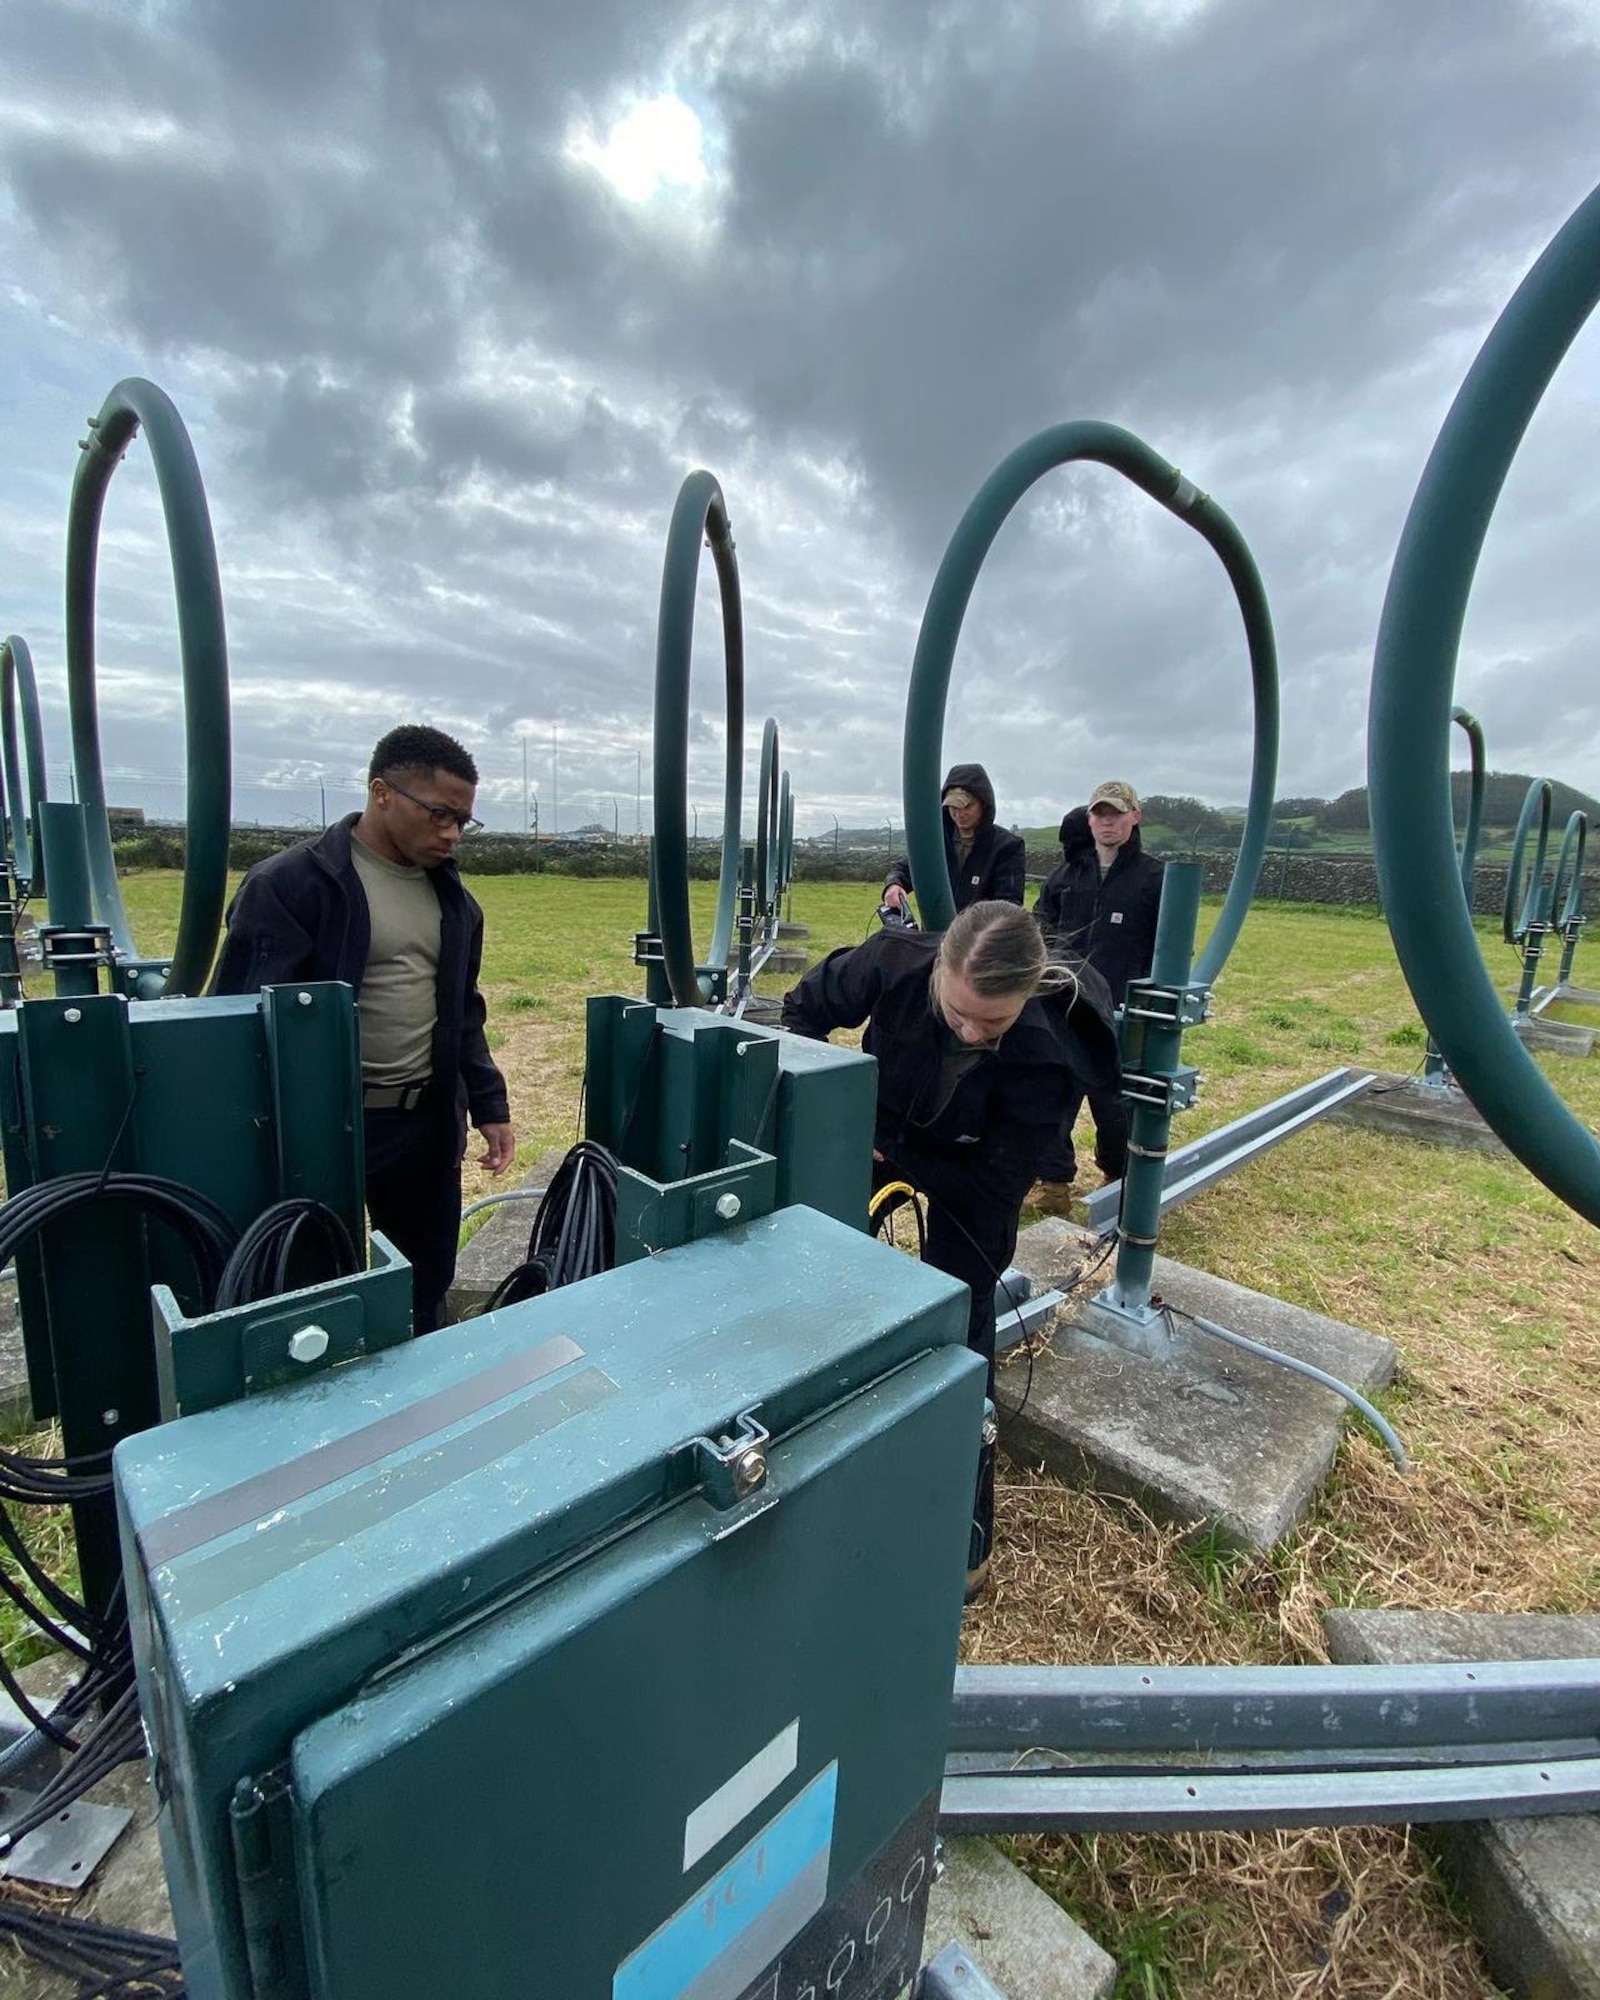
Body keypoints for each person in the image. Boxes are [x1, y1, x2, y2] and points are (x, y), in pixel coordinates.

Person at [782, 900, 1116, 1601]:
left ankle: (966, 1537)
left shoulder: (1051, 1051)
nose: (970, 1029)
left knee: (961, 1328)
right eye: (956, 1012)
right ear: (937, 968)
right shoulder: (890, 963)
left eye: (991, 1024)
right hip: (883, 1124)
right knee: (828, 1278)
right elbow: (802, 1011)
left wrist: (900, 1151)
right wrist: (831, 1109)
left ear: (1026, 996)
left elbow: (994, 1184)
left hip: (971, 1174)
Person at [213, 724, 515, 1332]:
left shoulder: (454, 900)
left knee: (424, 1279)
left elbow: (462, 1010)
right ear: (381, 792)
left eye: (463, 821)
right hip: (324, 1127)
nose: (452, 833)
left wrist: (488, 1102)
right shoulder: (291, 885)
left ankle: (419, 1393)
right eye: (439, 814)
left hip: (425, 1124)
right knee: (311, 1283)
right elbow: (237, 1019)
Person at [1031, 779, 1164, 1199]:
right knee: (1053, 1094)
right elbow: (1039, 928)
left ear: (1135, 818)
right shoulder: (1066, 877)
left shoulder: (1154, 878)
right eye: (1100, 814)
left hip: (1122, 1010)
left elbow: (1168, 946)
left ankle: (1118, 1181)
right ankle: (1053, 1184)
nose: (1108, 821)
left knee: (1116, 1103)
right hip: (1064, 1003)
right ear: (1089, 820)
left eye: (1117, 813)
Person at [882, 763, 1026, 919]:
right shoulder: (935, 842)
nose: (960, 814)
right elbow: (907, 868)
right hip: (934, 936)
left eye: (967, 806)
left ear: (983, 804)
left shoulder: (1007, 847)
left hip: (981, 938)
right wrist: (894, 884)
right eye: (953, 807)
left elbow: (1009, 905)